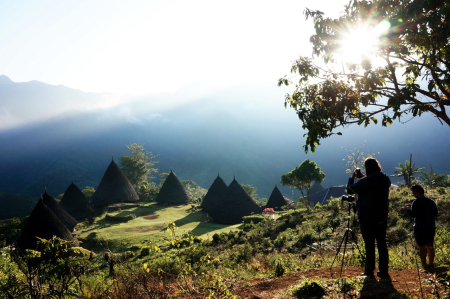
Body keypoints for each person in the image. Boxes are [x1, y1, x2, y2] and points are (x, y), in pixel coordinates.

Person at [347, 158, 391, 278]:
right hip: (382, 215)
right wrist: (363, 177)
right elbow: (373, 183)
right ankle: (383, 271)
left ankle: (369, 271)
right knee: (382, 243)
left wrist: (352, 177)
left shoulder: (365, 181)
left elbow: (350, 190)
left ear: (367, 167)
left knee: (369, 244)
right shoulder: (385, 178)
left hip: (367, 217)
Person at [407, 184, 438, 269]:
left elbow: (413, 215)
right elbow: (436, 214)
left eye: (413, 192)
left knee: (421, 246)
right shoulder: (431, 201)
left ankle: (424, 265)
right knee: (430, 245)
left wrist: (408, 209)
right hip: (431, 226)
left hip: (420, 227)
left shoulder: (416, 202)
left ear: (416, 193)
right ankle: (431, 263)